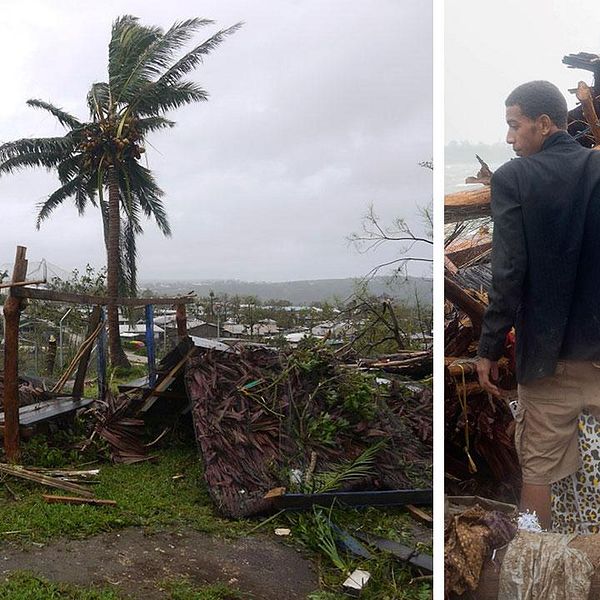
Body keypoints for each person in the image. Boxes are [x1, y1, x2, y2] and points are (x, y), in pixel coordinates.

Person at [476, 80, 600, 529]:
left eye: (514, 126)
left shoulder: (514, 179)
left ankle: (534, 567)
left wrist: (488, 348)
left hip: (549, 361)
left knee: (539, 471)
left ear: (544, 124)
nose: (509, 139)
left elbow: (508, 272)